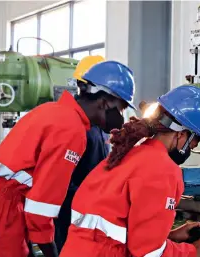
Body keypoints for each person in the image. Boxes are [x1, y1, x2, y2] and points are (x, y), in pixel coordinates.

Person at [0, 59, 136, 257]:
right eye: (120, 109)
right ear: (104, 103)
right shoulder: (71, 130)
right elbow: (40, 208)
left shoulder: (54, 111)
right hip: (3, 207)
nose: (121, 116)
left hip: (6, 201)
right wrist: (51, 253)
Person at [59, 85, 200, 257]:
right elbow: (147, 253)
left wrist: (168, 236)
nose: (190, 150)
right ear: (182, 135)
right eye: (193, 145)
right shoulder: (163, 169)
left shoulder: (127, 154)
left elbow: (110, 227)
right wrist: (193, 252)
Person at [53, 56, 113, 253]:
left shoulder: (101, 125)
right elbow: (60, 180)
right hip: (70, 211)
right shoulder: (71, 125)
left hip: (95, 209)